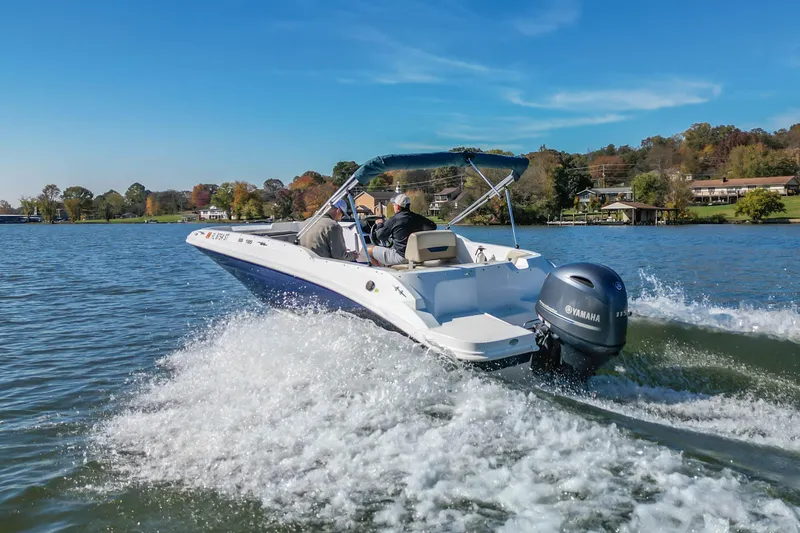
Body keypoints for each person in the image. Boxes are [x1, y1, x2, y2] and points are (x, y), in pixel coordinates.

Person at [368, 193, 437, 266]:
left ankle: (379, 272)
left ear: (398, 207)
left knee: (369, 250)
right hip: (417, 256)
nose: (393, 206)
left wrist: (379, 224)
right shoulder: (418, 218)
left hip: (401, 257)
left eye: (394, 205)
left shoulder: (394, 220)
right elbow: (433, 226)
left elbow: (380, 236)